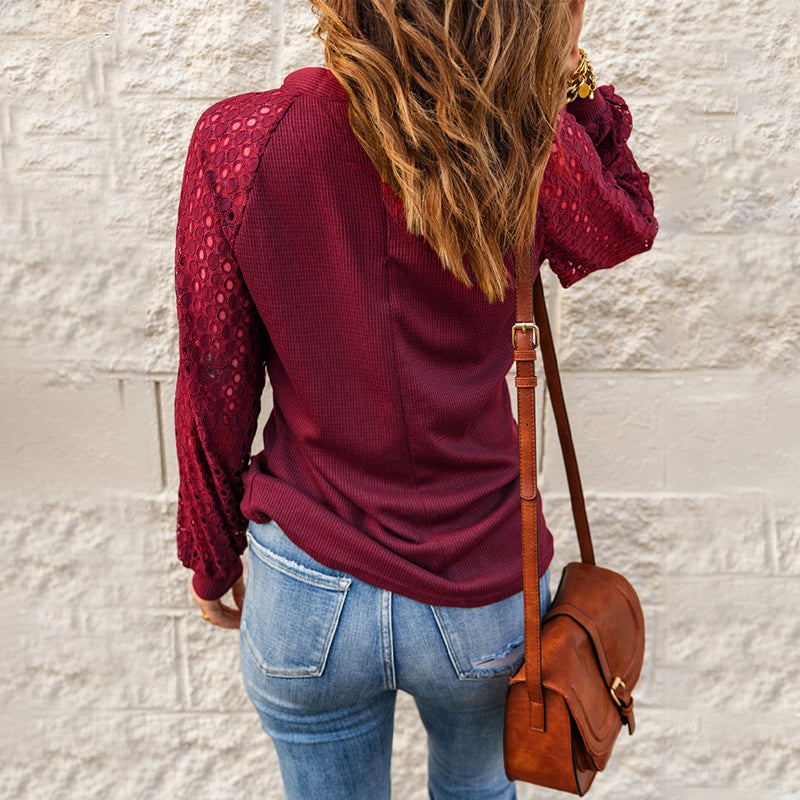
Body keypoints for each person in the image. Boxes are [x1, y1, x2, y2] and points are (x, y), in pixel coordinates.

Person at [173, 0, 657, 797]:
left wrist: (211, 555)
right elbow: (622, 224)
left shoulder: (240, 141)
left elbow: (214, 381)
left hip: (307, 581)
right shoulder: (522, 145)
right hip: (482, 589)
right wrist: (567, 70)